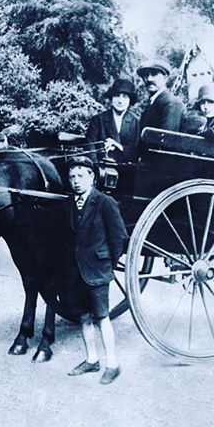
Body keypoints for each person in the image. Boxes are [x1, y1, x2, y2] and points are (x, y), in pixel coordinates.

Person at [63, 156, 127, 385]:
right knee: (83, 317)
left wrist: (108, 263)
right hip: (76, 270)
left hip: (98, 271)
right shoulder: (69, 204)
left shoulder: (104, 202)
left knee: (102, 317)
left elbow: (118, 236)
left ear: (92, 177)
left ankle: (112, 363)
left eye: (81, 176)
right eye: (72, 177)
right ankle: (91, 360)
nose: (76, 181)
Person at [86, 78, 140, 163]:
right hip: (102, 170)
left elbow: (136, 152)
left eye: (125, 97)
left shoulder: (136, 122)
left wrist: (117, 145)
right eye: (117, 96)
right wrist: (96, 168)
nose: (120, 101)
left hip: (127, 171)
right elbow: (89, 148)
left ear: (130, 100)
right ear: (111, 98)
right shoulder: (98, 120)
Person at [137, 58, 185, 132]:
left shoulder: (172, 103)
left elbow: (166, 139)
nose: (149, 79)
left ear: (165, 78)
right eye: (146, 75)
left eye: (154, 74)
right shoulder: (152, 102)